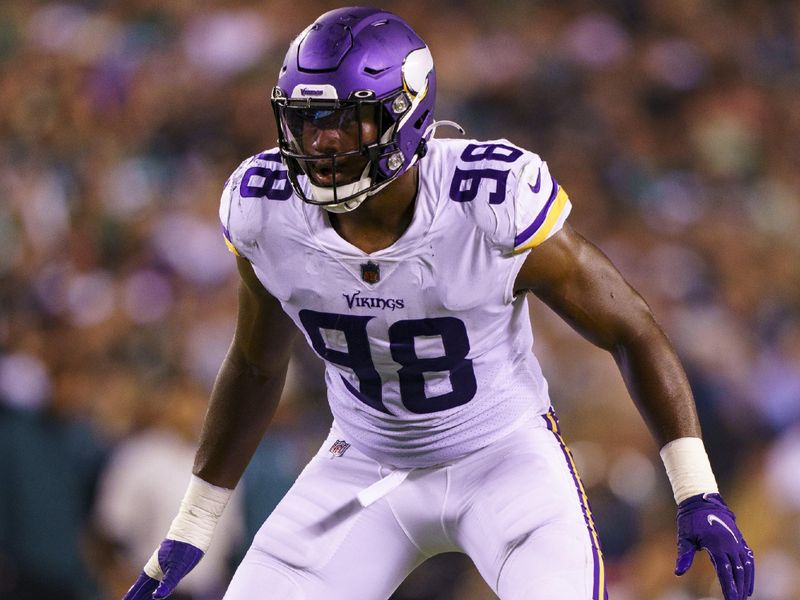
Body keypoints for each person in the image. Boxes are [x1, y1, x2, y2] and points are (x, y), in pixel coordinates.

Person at [124, 7, 754, 600]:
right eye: (308, 120)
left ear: (406, 116)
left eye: (347, 118)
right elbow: (256, 363)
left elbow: (631, 328)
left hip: (503, 460)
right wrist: (195, 520)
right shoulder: (267, 209)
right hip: (363, 467)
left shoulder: (488, 202)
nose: (321, 142)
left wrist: (695, 488)